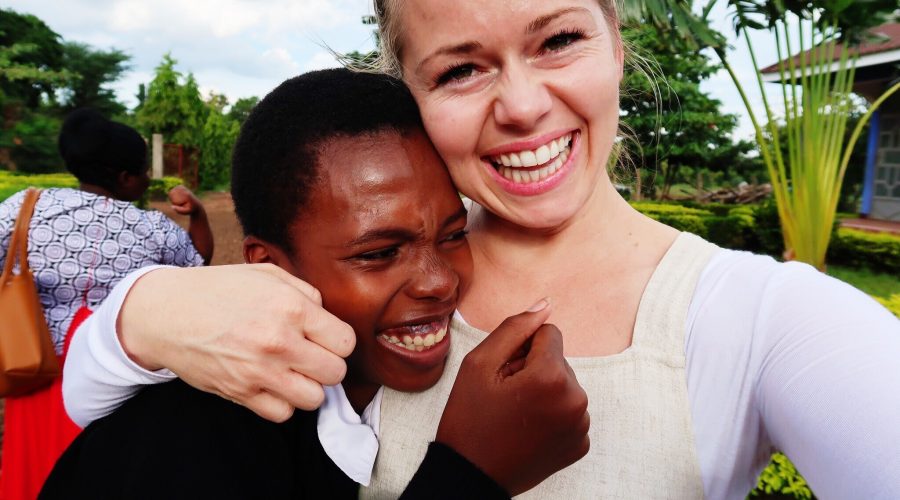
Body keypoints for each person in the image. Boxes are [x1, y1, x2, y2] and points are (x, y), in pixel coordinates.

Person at [63, 1, 900, 499]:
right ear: (412, 89)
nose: (526, 105)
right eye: (461, 69)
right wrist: (138, 320)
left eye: (558, 39)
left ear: (615, 38)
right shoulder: (334, 315)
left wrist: (131, 317)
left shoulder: (767, 321)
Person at [40, 69, 588, 499]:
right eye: (378, 253)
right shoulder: (185, 446)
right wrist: (473, 475)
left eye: (452, 235)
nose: (439, 281)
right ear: (271, 267)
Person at [0, 109, 213, 500]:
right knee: (105, 470)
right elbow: (198, 265)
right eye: (143, 171)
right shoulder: (153, 228)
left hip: (31, 364)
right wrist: (197, 213)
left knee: (33, 472)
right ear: (124, 178)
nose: (148, 178)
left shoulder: (24, 207)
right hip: (113, 378)